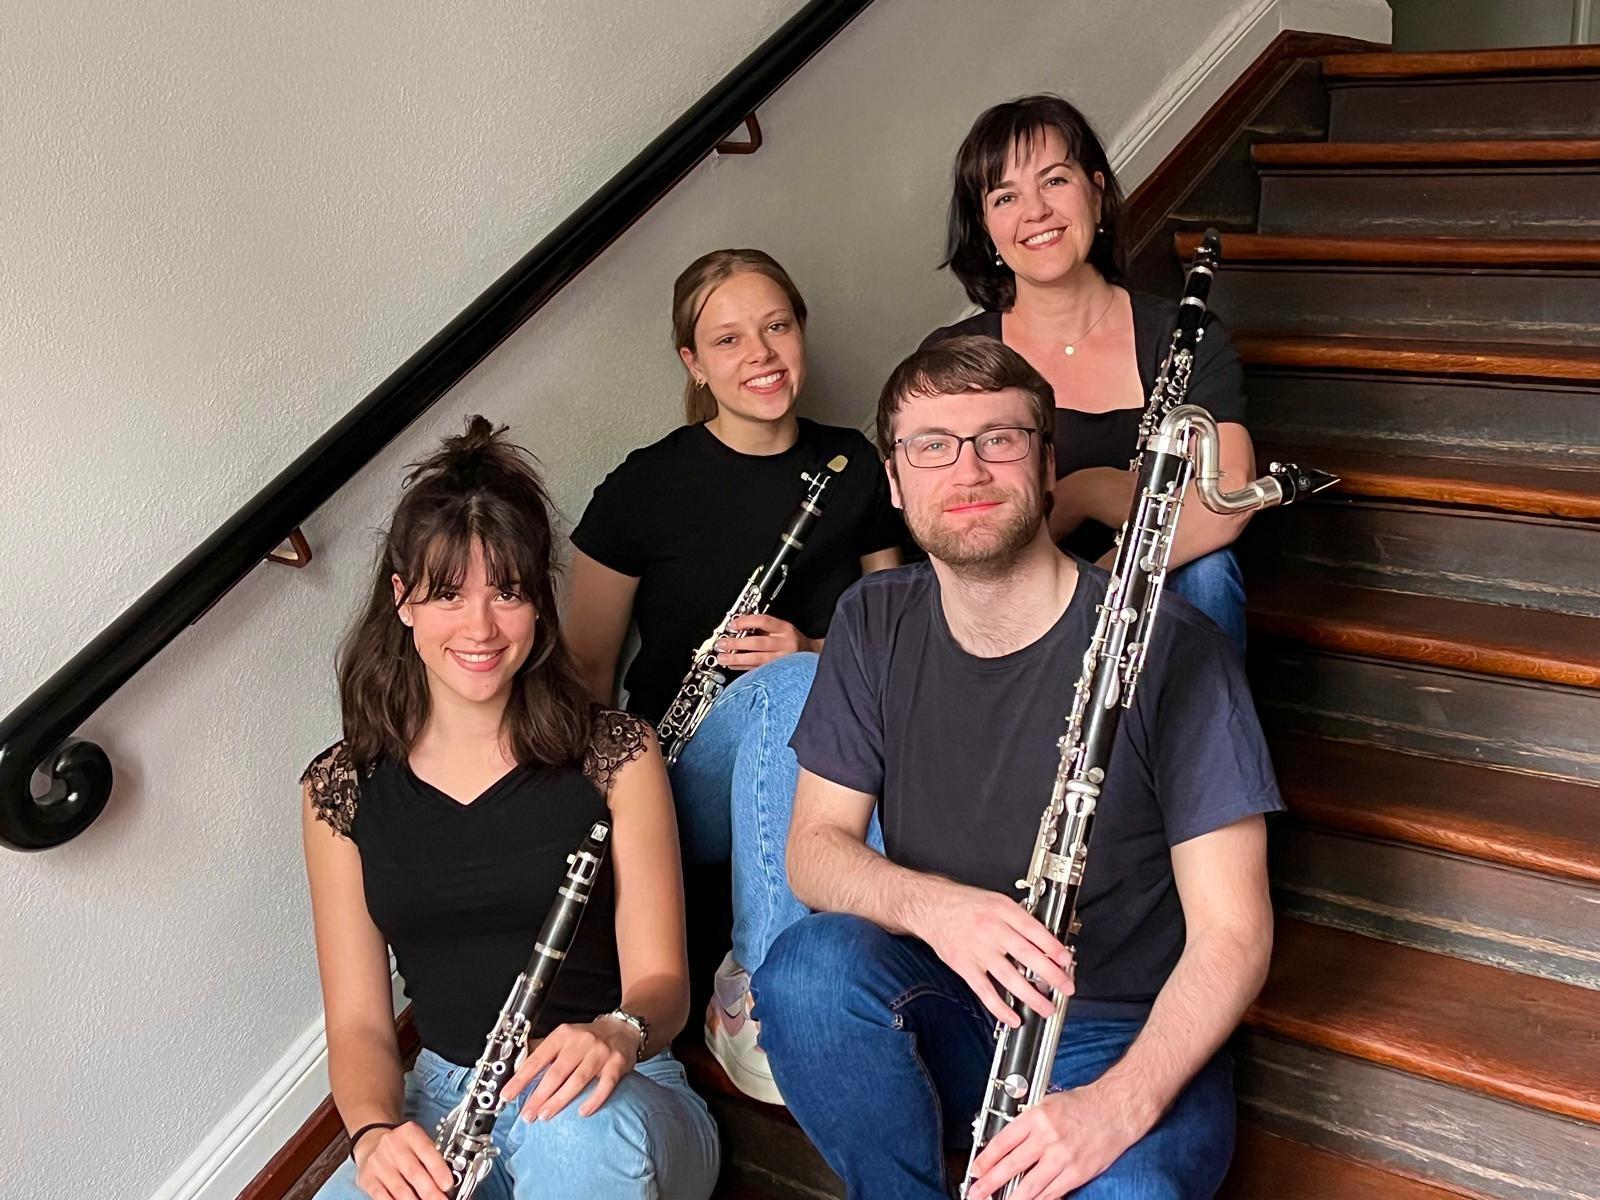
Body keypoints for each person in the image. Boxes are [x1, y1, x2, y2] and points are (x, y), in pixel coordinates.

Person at [750, 337, 1282, 1199]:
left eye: (998, 439)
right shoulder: (871, 619)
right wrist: (939, 911)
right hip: (953, 998)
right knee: (809, 972)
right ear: (895, 482)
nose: (968, 471)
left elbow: (1236, 934)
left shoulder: (1176, 648)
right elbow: (814, 850)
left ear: (1046, 465)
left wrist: (1116, 1105)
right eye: (932, 445)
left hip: (1119, 1032)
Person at [301, 417, 718, 1200]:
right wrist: (375, 1133)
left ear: (538, 604)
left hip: (619, 1088)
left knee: (575, 1139)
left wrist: (619, 1031)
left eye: (508, 592)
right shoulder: (340, 788)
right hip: (445, 1098)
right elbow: (358, 1026)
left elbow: (663, 982)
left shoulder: (615, 752)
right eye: (449, 594)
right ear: (402, 601)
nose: (481, 627)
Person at [565, 249, 903, 1103]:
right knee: (790, 693)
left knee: (805, 687)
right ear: (693, 362)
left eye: (776, 326)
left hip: (835, 753)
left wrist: (811, 646)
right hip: (680, 774)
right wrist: (589, 821)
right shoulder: (644, 487)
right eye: (727, 339)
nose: (760, 354)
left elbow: (898, 637)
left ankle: (885, 989)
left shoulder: (853, 466)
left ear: (801, 333)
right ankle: (754, 985)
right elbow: (586, 671)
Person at [924, 94, 1256, 648]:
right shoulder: (952, 356)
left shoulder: (1184, 334)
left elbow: (1228, 495)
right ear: (986, 229)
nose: (1036, 211)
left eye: (1055, 180)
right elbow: (950, 529)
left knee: (1207, 570)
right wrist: (1082, 494)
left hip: (1136, 597)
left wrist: (1101, 587)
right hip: (1013, 603)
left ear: (1096, 195)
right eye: (1006, 196)